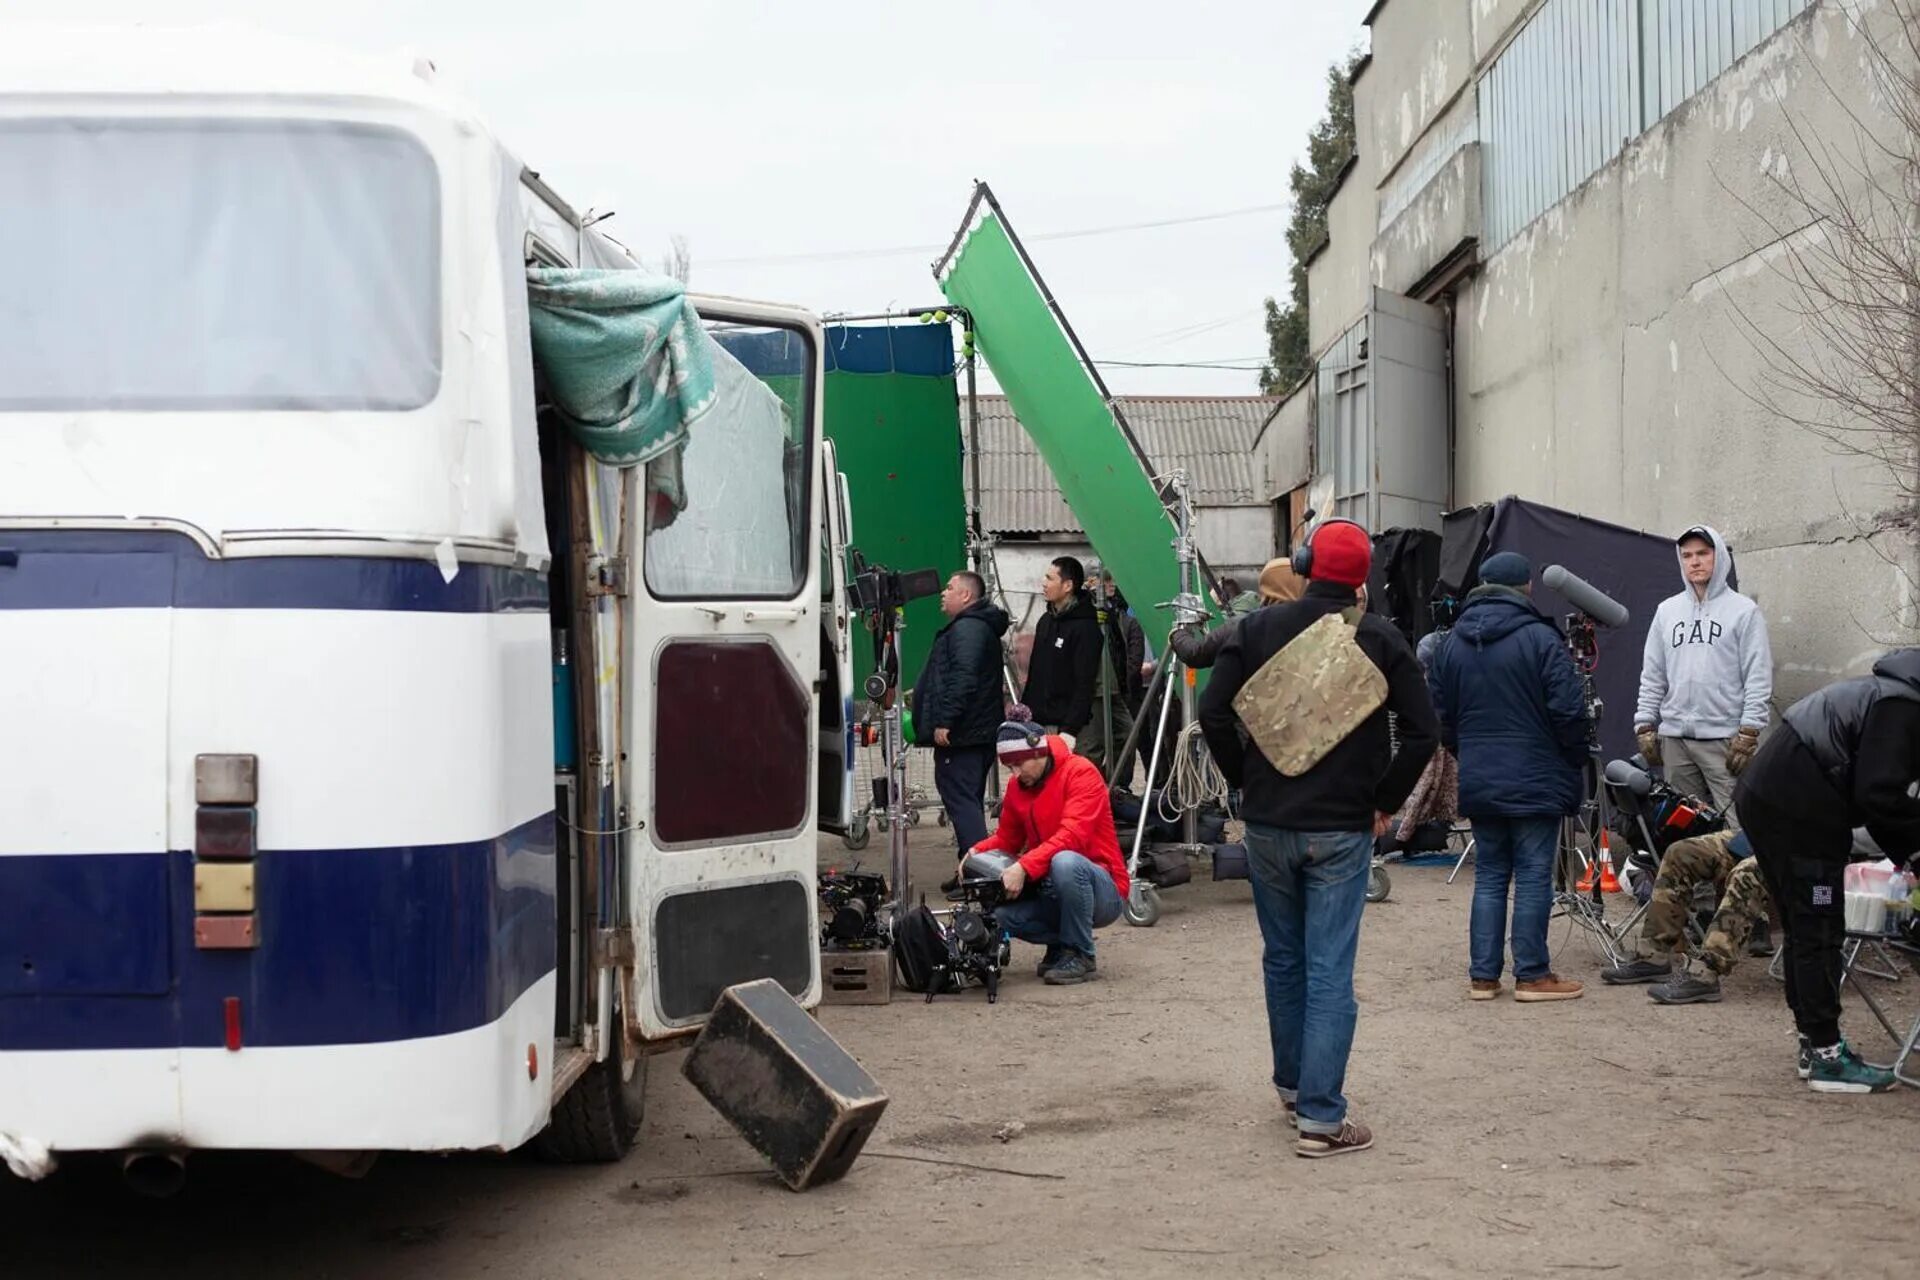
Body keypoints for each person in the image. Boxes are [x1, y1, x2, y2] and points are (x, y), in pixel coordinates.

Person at [1199, 520, 1438, 1159]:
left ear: (1303, 566)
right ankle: (1322, 1120)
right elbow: (1423, 733)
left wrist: (1244, 779)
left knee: (1283, 959)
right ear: (1363, 578)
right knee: (1329, 967)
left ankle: (1292, 1087)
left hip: (1270, 825)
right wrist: (1383, 801)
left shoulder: (1253, 629)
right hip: (1342, 828)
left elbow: (1211, 713)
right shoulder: (1381, 638)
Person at [1735, 650, 1920, 1093]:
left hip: (1770, 796)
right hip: (1798, 806)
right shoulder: (1903, 707)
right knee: (1818, 927)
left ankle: (1813, 1045)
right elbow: (1880, 793)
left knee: (1803, 929)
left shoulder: (1887, 694)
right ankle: (1826, 1057)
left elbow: (1880, 796)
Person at [1427, 552, 1591, 1003]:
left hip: (1481, 774)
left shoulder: (1450, 644)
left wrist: (1469, 751)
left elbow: (1441, 714)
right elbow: (1569, 711)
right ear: (1526, 588)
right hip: (1536, 776)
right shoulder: (1541, 638)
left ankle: (1483, 977)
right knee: (1535, 874)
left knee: (1491, 875)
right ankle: (1533, 975)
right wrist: (1572, 757)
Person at [961, 720, 1130, 985]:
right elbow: (1007, 839)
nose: (1015, 774)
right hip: (1052, 885)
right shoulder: (1019, 786)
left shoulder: (1081, 772)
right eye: (1009, 768)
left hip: (1104, 889)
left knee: (1065, 863)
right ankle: (1060, 945)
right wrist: (974, 853)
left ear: (1038, 753)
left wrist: (1024, 867)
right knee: (1000, 916)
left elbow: (1072, 837)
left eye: (1019, 764)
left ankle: (1081, 954)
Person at [1634, 525, 1774, 826]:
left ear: (1718, 556)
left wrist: (1749, 732)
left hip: (1724, 739)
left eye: (1702, 553)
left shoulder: (1743, 611)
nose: (1694, 561)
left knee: (1735, 824)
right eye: (1687, 555)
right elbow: (1653, 673)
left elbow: (1758, 675)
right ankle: (1695, 876)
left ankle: (1737, 876)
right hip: (1675, 740)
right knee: (1682, 826)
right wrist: (1645, 723)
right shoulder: (1667, 611)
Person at [1600, 829, 1773, 1003]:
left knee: (1748, 873)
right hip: (1759, 833)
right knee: (1680, 852)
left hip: (1794, 846)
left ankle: (1706, 971)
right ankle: (1652, 955)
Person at [912, 571, 1010, 856]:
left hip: (963, 735)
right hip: (974, 733)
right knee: (969, 800)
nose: (943, 593)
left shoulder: (968, 629)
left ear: (966, 595)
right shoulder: (974, 627)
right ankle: (969, 867)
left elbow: (963, 677)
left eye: (950, 588)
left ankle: (978, 872)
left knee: (962, 801)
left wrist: (945, 721)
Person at [1169, 557, 1306, 670]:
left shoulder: (1245, 626)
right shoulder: (1315, 624)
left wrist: (1177, 634)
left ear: (1265, 586)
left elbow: (1195, 653)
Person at [1020, 556, 1100, 744]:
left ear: (1067, 585)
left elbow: (1084, 682)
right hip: (1038, 723)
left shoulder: (1085, 627)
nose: (1043, 583)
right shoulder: (1046, 621)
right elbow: (1035, 674)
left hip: (1067, 727)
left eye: (1050, 578)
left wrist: (1070, 730)